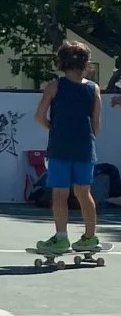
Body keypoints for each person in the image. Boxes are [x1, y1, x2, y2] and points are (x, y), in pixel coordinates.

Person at [33, 42, 103, 256]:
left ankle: (61, 238)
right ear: (85, 63)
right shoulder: (93, 88)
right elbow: (96, 125)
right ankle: (90, 237)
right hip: (84, 147)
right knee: (84, 192)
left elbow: (39, 116)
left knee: (60, 194)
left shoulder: (55, 85)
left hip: (60, 147)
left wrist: (53, 128)